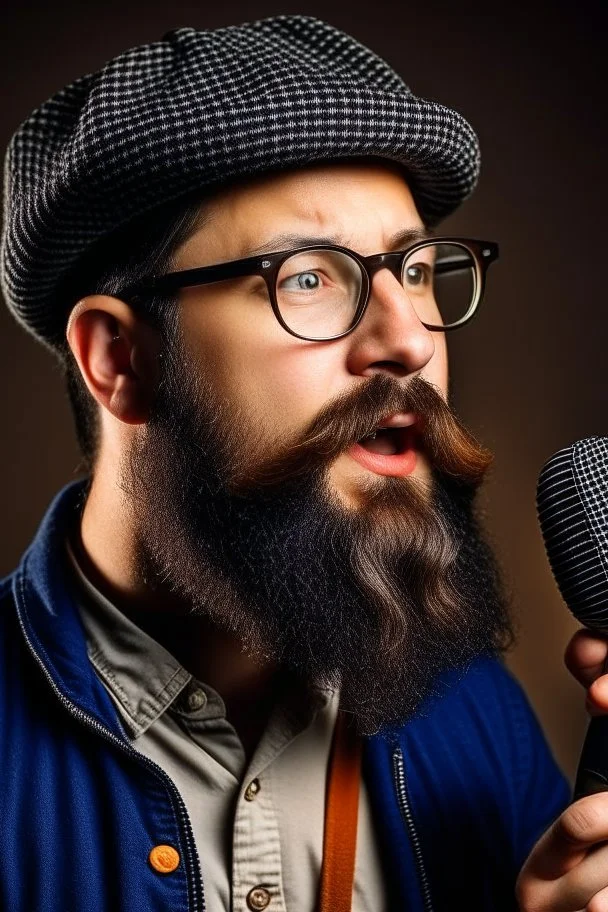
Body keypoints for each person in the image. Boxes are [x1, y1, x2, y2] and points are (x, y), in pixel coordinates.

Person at [0, 15, 605, 912]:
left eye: (415, 268)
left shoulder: (475, 714)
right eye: (309, 276)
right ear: (118, 360)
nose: (408, 339)